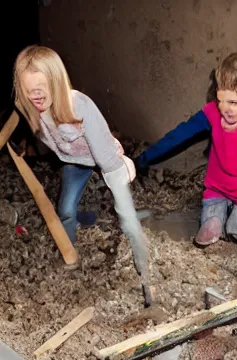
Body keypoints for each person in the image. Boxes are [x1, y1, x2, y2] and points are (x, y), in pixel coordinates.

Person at [13, 45, 151, 306]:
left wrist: (119, 189)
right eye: (29, 91)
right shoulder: (32, 108)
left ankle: (141, 259)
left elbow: (103, 151)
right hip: (73, 162)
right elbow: (46, 139)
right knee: (65, 208)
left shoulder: (80, 106)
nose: (35, 96)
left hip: (103, 157)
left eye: (41, 88)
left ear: (57, 81)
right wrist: (27, 147)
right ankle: (69, 252)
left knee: (125, 213)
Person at [135, 52, 237, 246]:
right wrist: (145, 158)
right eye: (220, 99)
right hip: (217, 189)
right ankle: (214, 218)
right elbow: (180, 135)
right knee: (211, 224)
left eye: (233, 102)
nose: (224, 108)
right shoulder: (212, 112)